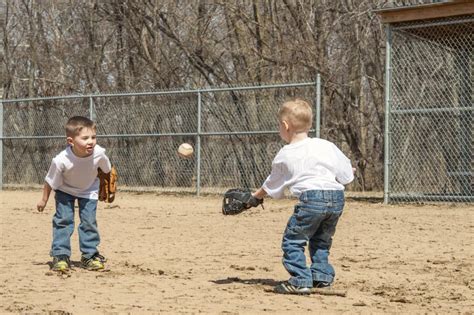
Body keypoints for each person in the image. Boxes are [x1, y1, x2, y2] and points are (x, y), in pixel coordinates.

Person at [250, 99, 355, 295]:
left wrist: (255, 197)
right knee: (322, 239)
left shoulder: (285, 153)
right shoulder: (325, 145)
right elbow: (346, 174)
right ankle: (321, 276)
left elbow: (273, 184)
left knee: (293, 240)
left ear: (285, 126)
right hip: (337, 198)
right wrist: (349, 172)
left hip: (311, 199)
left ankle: (299, 280)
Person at [37, 116, 111, 272]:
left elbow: (107, 170)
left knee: (89, 222)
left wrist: (108, 180)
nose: (91, 141)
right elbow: (49, 181)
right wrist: (44, 200)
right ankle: (60, 255)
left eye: (93, 137)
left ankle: (89, 256)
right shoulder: (61, 160)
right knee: (63, 221)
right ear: (71, 141)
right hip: (65, 190)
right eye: (85, 138)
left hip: (89, 190)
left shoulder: (99, 153)